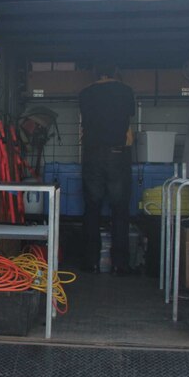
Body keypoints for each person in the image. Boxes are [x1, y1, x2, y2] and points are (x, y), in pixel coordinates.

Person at [78, 61, 135, 276]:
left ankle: (90, 262)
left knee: (91, 209)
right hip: (117, 154)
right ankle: (120, 264)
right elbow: (127, 123)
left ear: (96, 72)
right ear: (116, 71)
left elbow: (86, 123)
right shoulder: (126, 91)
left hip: (92, 154)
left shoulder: (85, 94)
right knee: (120, 210)